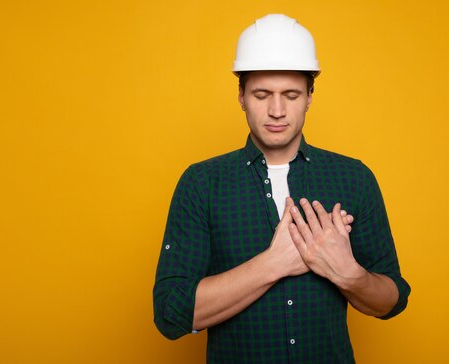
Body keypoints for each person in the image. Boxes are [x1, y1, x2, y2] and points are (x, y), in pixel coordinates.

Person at [153, 14, 410, 363]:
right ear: (241, 95)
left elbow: (392, 302)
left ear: (309, 97)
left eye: (291, 95)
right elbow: (170, 313)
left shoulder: (353, 178)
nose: (277, 110)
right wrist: (273, 264)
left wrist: (350, 275)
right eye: (262, 94)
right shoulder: (202, 184)